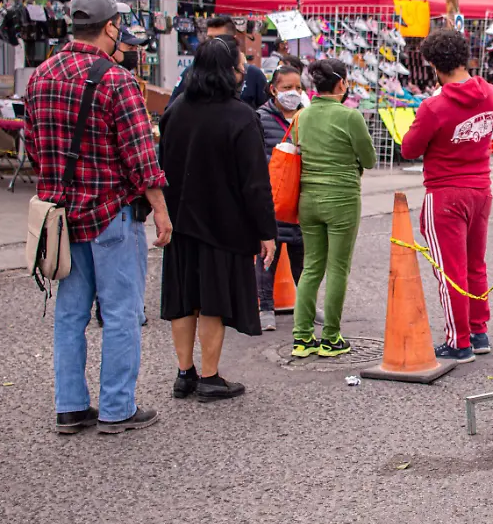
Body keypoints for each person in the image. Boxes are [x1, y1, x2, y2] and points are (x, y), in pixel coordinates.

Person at [24, 0, 171, 434]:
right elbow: (141, 156)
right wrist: (161, 210)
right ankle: (116, 407)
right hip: (111, 212)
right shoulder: (116, 80)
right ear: (110, 27)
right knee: (121, 312)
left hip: (62, 216)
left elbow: (32, 146)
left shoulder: (40, 76)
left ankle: (70, 406)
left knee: (70, 313)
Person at [158, 35, 277, 401]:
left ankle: (184, 374)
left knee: (183, 297)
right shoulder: (240, 115)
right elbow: (255, 182)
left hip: (180, 220)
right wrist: (266, 231)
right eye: (240, 67)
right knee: (211, 298)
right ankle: (210, 376)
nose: (244, 73)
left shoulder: (175, 110)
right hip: (223, 225)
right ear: (229, 72)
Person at [399, 28, 493, 362]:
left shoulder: (434, 106)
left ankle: (458, 342)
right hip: (481, 188)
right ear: (465, 57)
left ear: (433, 65)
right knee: (475, 265)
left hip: (445, 192)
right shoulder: (490, 95)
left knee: (450, 270)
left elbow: (410, 148)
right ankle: (478, 330)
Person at [290, 59, 377, 358]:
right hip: (342, 199)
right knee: (338, 268)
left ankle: (301, 337)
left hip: (308, 198)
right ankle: (330, 338)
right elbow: (369, 159)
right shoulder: (350, 117)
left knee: (311, 267)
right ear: (341, 84)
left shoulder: (302, 116)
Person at [255, 65, 310, 332]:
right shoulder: (261, 118)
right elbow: (253, 156)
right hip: (272, 198)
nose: (293, 93)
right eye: (287, 88)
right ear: (273, 89)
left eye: (298, 88)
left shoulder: (305, 116)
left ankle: (307, 305)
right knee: (268, 255)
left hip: (300, 197)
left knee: (302, 256)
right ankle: (266, 307)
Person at [168, 15, 269, 108]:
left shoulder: (253, 75)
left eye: (219, 39)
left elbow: (267, 113)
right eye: (209, 38)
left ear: (233, 40)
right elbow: (171, 110)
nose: (212, 43)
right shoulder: (191, 72)